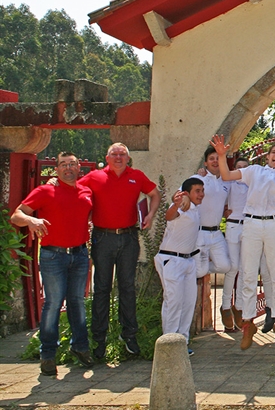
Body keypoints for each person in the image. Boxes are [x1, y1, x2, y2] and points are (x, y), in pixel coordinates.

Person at [12, 152, 94, 376]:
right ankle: (48, 354)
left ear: (79, 168)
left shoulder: (86, 191)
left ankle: (80, 347)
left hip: (78, 254)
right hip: (52, 256)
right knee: (53, 303)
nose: (68, 168)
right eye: (63, 165)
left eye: (72, 164)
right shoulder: (45, 190)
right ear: (55, 169)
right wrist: (31, 220)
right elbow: (16, 215)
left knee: (77, 302)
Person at [80, 142, 161, 361]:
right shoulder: (94, 177)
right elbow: (73, 190)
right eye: (114, 154)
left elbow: (155, 194)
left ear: (128, 158)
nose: (118, 157)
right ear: (107, 158)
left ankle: (129, 337)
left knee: (127, 287)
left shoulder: (137, 176)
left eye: (122, 154)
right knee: (102, 289)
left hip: (128, 237)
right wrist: (53, 181)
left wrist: (151, 215)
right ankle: (99, 340)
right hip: (103, 237)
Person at [211, 135, 275, 350]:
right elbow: (227, 175)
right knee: (248, 274)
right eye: (274, 152)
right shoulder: (254, 171)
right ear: (267, 156)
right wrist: (221, 155)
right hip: (252, 223)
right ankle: (247, 323)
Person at [155, 178, 204, 352]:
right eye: (197, 191)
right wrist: (175, 204)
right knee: (173, 302)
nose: (201, 194)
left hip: (188, 261)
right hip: (172, 260)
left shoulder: (196, 210)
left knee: (188, 302)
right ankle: (168, 344)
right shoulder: (182, 207)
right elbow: (170, 216)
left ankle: (182, 342)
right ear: (187, 193)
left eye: (202, 190)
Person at [193, 148, 232, 281]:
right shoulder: (197, 179)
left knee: (225, 266)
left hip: (216, 233)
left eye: (218, 158)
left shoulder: (227, 182)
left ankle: (195, 268)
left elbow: (227, 203)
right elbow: (181, 197)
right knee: (198, 272)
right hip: (200, 233)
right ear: (205, 163)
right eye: (211, 159)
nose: (215, 161)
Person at [221, 158, 250, 332]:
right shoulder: (229, 183)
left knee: (245, 269)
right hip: (233, 224)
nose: (241, 170)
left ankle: (239, 306)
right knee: (233, 267)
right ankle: (225, 305)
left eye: (245, 168)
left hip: (249, 226)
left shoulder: (253, 183)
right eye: (238, 167)